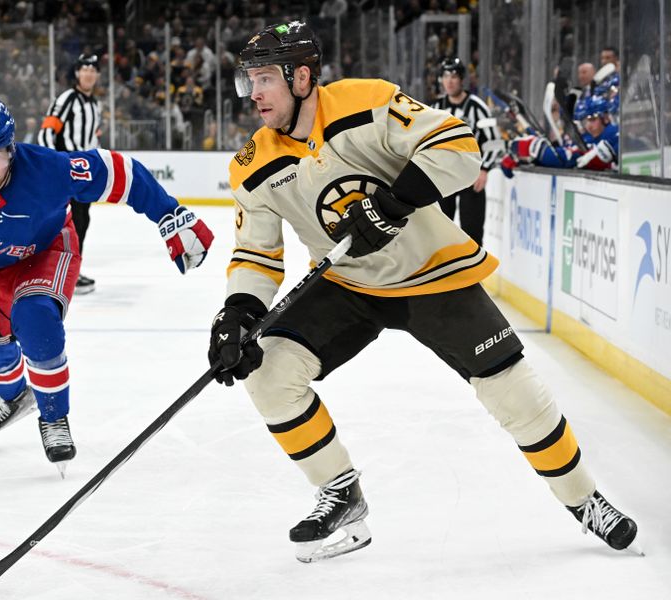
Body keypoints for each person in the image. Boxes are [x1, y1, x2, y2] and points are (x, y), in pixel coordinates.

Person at [208, 21, 638, 563]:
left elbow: (460, 147)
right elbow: (256, 254)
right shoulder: (252, 165)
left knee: (514, 392)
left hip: (432, 271)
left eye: (265, 79)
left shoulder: (368, 101)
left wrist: (392, 203)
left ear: (301, 77)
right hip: (347, 283)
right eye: (249, 81)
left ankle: (585, 500)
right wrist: (239, 314)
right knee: (269, 374)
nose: (254, 94)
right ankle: (341, 492)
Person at [0, 99, 213, 475]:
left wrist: (170, 215)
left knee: (35, 318)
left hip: (46, 251)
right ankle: (13, 399)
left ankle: (53, 415)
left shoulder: (47, 169)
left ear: (11, 150)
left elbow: (120, 171)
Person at [38, 53, 102, 294]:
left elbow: (93, 138)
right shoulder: (67, 99)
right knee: (65, 223)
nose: (88, 74)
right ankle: (58, 273)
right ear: (77, 73)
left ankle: (70, 271)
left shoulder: (95, 104)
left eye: (93, 70)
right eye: (84, 69)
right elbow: (46, 132)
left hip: (85, 175)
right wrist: (55, 165)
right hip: (67, 171)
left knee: (81, 221)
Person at [431, 57, 499, 246]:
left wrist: (484, 169)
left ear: (462, 79)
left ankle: (473, 276)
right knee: (440, 234)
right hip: (444, 178)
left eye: (454, 76)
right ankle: (442, 275)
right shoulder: (434, 109)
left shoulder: (478, 107)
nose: (449, 81)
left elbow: (494, 142)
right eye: (445, 76)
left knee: (473, 233)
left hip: (471, 176)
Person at [501, 95, 618, 176]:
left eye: (593, 119)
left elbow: (563, 160)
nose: (588, 125)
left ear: (606, 118)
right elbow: (565, 156)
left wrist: (534, 147)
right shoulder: (589, 137)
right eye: (585, 121)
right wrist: (524, 159)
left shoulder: (612, 134)